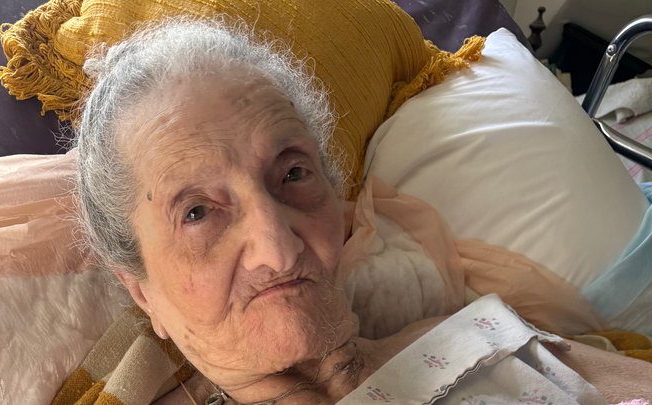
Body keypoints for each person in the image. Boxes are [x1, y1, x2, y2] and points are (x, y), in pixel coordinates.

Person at [74, 17, 652, 405]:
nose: (278, 247)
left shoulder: (484, 337)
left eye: (293, 174)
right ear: (142, 292)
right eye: (198, 212)